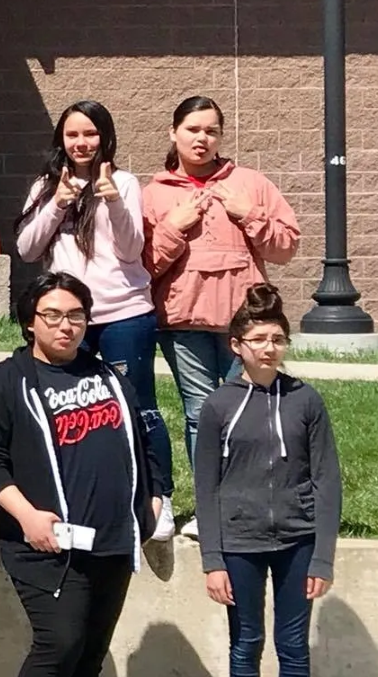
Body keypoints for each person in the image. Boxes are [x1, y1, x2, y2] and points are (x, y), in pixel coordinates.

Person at [0, 273, 158, 677]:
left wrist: (151, 502)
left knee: (88, 654)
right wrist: (26, 515)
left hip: (112, 542)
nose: (65, 325)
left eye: (75, 315)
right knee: (59, 644)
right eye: (51, 315)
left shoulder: (109, 378)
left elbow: (146, 439)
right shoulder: (7, 382)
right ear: (30, 321)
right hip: (44, 544)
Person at [15, 100, 176, 541]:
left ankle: (159, 499)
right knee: (71, 409)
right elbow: (28, 249)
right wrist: (57, 204)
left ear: (104, 138)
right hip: (66, 316)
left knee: (139, 406)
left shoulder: (123, 183)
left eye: (90, 134)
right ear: (61, 140)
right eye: (72, 135)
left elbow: (130, 249)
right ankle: (75, 493)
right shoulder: (45, 187)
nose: (81, 143)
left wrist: (112, 201)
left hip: (124, 312)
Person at [142, 95, 300, 535]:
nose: (202, 138)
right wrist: (174, 225)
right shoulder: (153, 194)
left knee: (246, 412)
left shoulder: (250, 183)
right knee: (200, 413)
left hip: (242, 322)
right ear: (174, 133)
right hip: (183, 321)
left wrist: (248, 214)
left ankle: (244, 504)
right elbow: (142, 266)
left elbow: (285, 247)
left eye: (211, 130)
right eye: (193, 129)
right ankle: (210, 509)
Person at [195, 285, 341, 677]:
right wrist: (213, 560)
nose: (268, 348)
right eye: (258, 339)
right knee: (245, 645)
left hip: (298, 541)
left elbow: (327, 479)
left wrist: (323, 557)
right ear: (236, 345)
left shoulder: (305, 399)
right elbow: (205, 488)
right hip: (239, 543)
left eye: (277, 339)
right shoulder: (218, 406)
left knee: (293, 647)